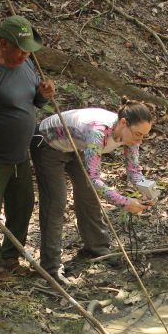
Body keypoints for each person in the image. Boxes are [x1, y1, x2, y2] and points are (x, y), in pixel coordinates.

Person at [0, 16, 55, 279]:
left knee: (23, 206)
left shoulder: (27, 64)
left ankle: (10, 255)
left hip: (20, 156)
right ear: (3, 44)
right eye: (19, 48)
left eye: (28, 49)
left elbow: (34, 100)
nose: (25, 54)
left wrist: (44, 93)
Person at [31, 100, 156, 285]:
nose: (140, 140)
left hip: (78, 146)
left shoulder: (131, 135)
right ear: (123, 123)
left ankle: (97, 248)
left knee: (88, 196)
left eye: (144, 136)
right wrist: (125, 202)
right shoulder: (98, 132)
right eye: (138, 134)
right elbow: (94, 179)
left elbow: (134, 172)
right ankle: (51, 267)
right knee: (56, 202)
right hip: (48, 143)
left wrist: (149, 192)